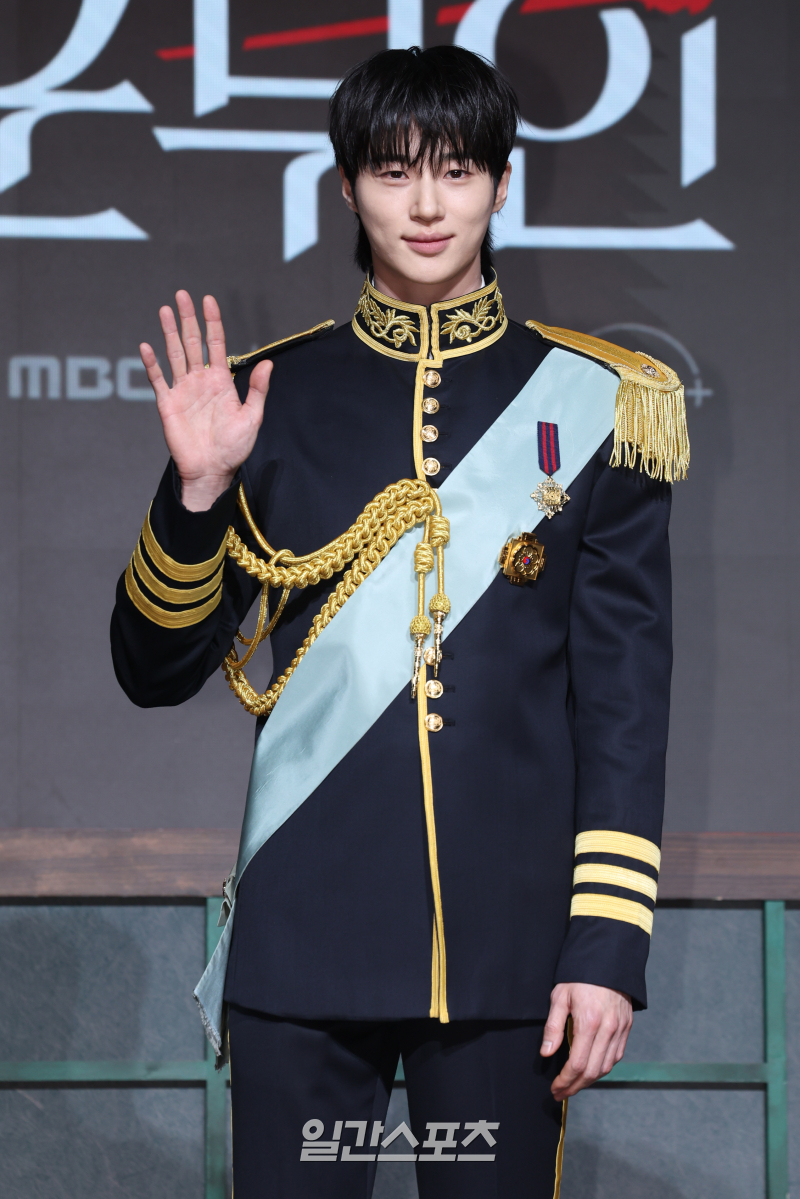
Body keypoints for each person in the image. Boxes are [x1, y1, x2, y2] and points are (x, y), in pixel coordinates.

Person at [110, 44, 686, 1199]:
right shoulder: (266, 398)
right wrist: (198, 494)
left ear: (500, 184)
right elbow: (152, 668)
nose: (426, 205)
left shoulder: (599, 402)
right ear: (346, 188)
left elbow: (622, 709)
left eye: (457, 170)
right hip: (300, 952)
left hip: (509, 961)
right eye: (392, 171)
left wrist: (607, 945)